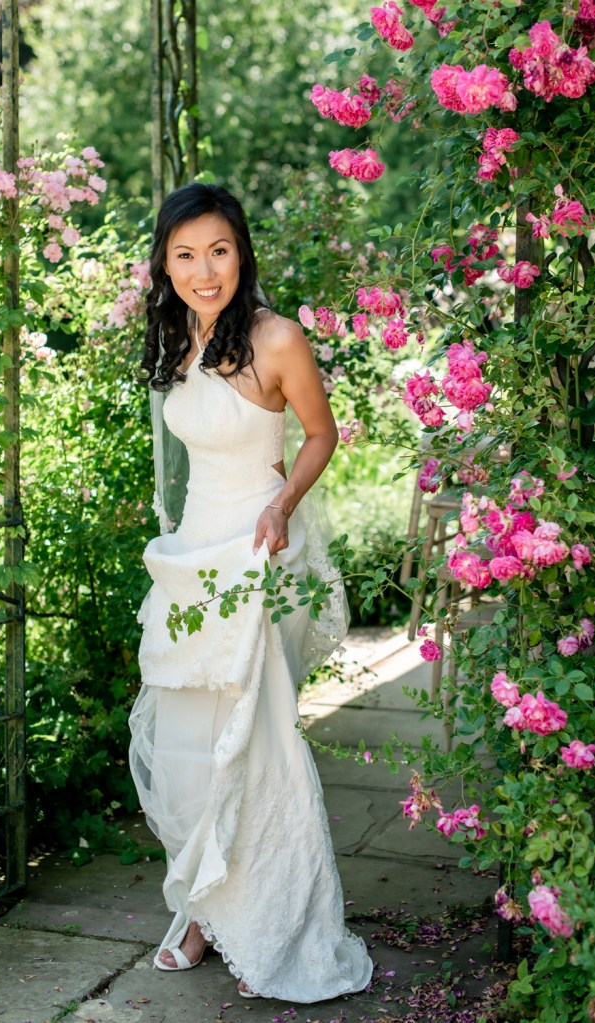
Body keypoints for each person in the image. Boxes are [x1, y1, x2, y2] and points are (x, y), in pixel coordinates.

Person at [129, 182, 373, 1002]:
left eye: (219, 250)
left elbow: (321, 432)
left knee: (254, 731)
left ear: (242, 252)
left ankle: (274, 912)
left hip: (259, 552)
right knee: (191, 738)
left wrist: (280, 502)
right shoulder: (178, 335)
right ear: (165, 264)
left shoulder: (276, 338)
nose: (205, 270)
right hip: (193, 554)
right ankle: (201, 908)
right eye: (186, 254)